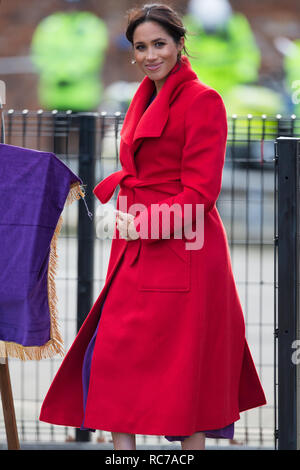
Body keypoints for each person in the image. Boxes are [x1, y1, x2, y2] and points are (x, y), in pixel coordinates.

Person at [39, 3, 267, 451]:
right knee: (112, 355)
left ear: (181, 44)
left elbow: (201, 193)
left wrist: (140, 222)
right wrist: (121, 213)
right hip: (135, 242)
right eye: (140, 47)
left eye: (159, 44)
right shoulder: (142, 96)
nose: (149, 54)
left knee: (185, 368)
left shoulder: (204, 101)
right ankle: (123, 455)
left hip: (186, 248)